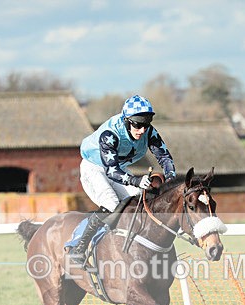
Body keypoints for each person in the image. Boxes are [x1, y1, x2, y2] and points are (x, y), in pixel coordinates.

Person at [69, 94, 176, 264]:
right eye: (138, 125)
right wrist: (136, 181)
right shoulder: (109, 134)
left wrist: (171, 180)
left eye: (146, 124)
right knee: (112, 204)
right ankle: (79, 246)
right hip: (94, 169)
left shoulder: (149, 131)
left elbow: (165, 158)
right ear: (126, 120)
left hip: (119, 170)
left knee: (140, 200)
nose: (142, 130)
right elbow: (112, 171)